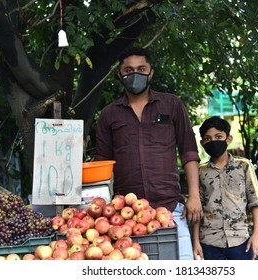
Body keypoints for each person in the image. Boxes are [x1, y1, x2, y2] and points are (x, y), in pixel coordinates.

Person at [94, 47, 203, 260]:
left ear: (151, 72)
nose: (135, 74)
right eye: (129, 70)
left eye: (141, 68)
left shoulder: (171, 105)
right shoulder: (109, 114)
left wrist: (195, 196)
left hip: (171, 209)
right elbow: (102, 163)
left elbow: (189, 151)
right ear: (120, 75)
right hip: (126, 218)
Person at [192, 116, 258, 260]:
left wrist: (257, 236)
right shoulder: (200, 171)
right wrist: (195, 242)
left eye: (218, 136)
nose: (213, 141)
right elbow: (196, 209)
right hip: (209, 242)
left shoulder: (243, 166)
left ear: (228, 139)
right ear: (202, 143)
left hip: (240, 240)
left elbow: (255, 201)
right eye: (207, 138)